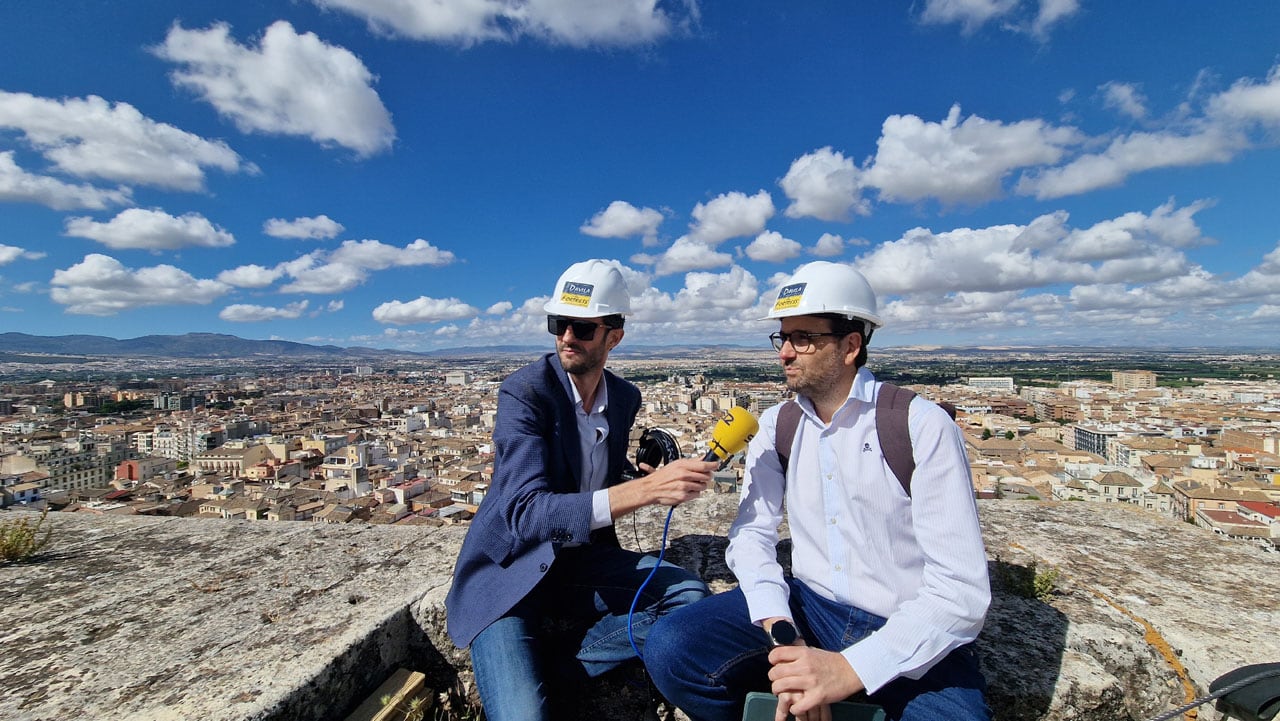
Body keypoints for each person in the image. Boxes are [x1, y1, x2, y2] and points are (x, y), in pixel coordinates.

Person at [645, 261, 991, 721]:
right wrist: (782, 631)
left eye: (803, 338)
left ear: (851, 346)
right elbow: (751, 535)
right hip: (808, 607)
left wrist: (848, 670)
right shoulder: (776, 426)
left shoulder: (918, 424)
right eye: (783, 337)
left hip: (905, 622)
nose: (785, 352)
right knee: (673, 647)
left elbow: (961, 592)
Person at [445, 259, 719, 721]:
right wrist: (647, 491)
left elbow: (595, 484)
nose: (567, 336)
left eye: (582, 328)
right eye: (559, 323)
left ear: (615, 336)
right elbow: (525, 514)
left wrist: (640, 475)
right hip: (510, 571)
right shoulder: (525, 393)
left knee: (688, 594)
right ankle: (533, 675)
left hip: (578, 561)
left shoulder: (625, 398)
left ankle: (554, 668)